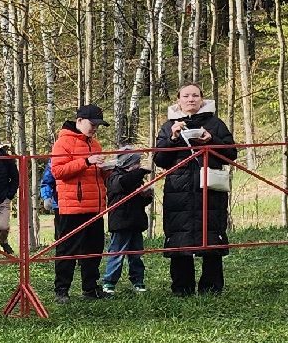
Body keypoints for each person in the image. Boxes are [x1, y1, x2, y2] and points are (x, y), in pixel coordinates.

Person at [152, 83, 237, 296]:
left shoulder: (215, 124)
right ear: (178, 100)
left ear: (202, 99)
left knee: (212, 236)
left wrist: (212, 139)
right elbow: (159, 159)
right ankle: (182, 288)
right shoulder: (168, 126)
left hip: (210, 189)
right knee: (179, 238)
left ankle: (211, 288)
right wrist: (172, 139)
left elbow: (231, 153)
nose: (191, 99)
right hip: (178, 191)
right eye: (186, 96)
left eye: (195, 95)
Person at [49, 103, 114, 302]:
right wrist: (86, 162)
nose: (95, 128)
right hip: (72, 207)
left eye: (98, 125)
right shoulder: (62, 143)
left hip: (95, 206)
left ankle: (90, 288)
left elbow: (96, 175)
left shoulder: (96, 144)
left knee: (94, 249)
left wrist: (107, 169)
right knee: (68, 250)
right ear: (79, 121)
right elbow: (58, 171)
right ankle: (61, 290)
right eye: (92, 124)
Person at [102, 153, 153, 293]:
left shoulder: (136, 179)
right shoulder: (114, 177)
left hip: (136, 221)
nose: (138, 165)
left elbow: (140, 201)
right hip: (121, 222)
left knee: (136, 254)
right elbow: (124, 183)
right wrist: (141, 172)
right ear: (128, 164)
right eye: (137, 163)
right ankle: (109, 281)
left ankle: (138, 281)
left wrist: (146, 196)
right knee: (117, 253)